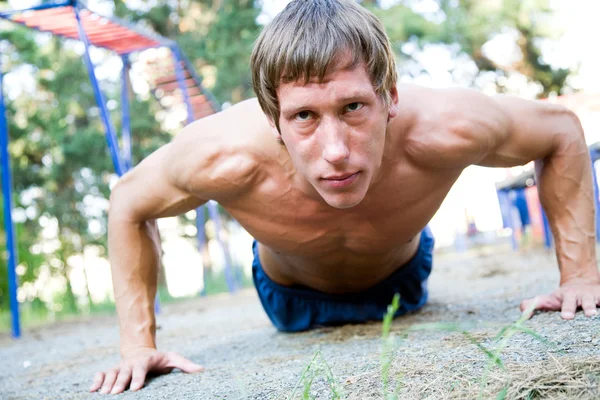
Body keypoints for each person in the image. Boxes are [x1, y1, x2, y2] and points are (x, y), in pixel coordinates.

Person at [90, 0, 600, 395]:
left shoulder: (447, 127)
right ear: (273, 119)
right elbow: (129, 202)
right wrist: (139, 344)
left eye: (353, 106)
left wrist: (579, 276)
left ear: (390, 95)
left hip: (403, 280)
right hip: (288, 297)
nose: (335, 152)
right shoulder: (221, 155)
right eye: (304, 116)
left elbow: (560, 131)